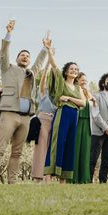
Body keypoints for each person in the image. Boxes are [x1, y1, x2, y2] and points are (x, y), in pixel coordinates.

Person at [0, 20, 48, 184]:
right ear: (16, 58)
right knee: (0, 149)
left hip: (26, 117)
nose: (25, 57)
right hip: (9, 114)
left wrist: (45, 48)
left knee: (17, 152)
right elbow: (3, 53)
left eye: (28, 56)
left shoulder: (31, 73)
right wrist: (9, 33)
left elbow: (39, 62)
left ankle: (12, 181)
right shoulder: (7, 68)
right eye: (22, 55)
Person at [43, 48, 86, 182]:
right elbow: (54, 66)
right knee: (58, 143)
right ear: (66, 72)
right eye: (72, 69)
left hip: (74, 116)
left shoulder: (79, 88)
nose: (74, 71)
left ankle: (64, 179)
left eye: (76, 69)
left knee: (69, 145)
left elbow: (83, 103)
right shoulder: (62, 82)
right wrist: (49, 51)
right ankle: (49, 176)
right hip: (63, 113)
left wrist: (69, 98)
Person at [32, 67, 57, 182]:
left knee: (51, 150)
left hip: (55, 121)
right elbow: (43, 79)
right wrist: (47, 64)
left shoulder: (59, 94)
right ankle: (38, 176)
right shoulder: (43, 90)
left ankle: (48, 177)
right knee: (41, 149)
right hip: (43, 120)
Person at [71, 72, 95, 184]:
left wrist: (92, 101)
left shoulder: (90, 94)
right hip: (77, 121)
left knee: (85, 150)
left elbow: (94, 108)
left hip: (88, 124)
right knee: (75, 150)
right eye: (82, 80)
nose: (84, 82)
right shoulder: (74, 90)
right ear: (77, 80)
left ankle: (84, 178)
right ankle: (73, 177)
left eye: (85, 80)